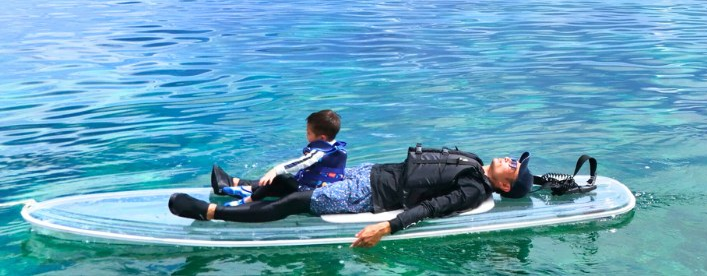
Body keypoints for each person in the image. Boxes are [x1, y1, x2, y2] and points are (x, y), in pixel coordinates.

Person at [170, 144, 533, 248]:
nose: (511, 160)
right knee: (303, 180)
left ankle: (211, 211)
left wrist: (385, 227)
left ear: (504, 187)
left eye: (514, 167)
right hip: (372, 173)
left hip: (372, 194)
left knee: (296, 201)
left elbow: (430, 207)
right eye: (516, 160)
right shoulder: (475, 165)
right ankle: (239, 185)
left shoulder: (472, 188)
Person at [211, 109, 347, 206]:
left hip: (313, 194)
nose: (307, 136)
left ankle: (248, 199)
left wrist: (276, 169)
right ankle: (239, 186)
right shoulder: (335, 147)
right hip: (312, 187)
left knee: (281, 177)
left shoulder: (321, 152)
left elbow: (302, 162)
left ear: (322, 138)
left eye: (309, 133)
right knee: (277, 181)